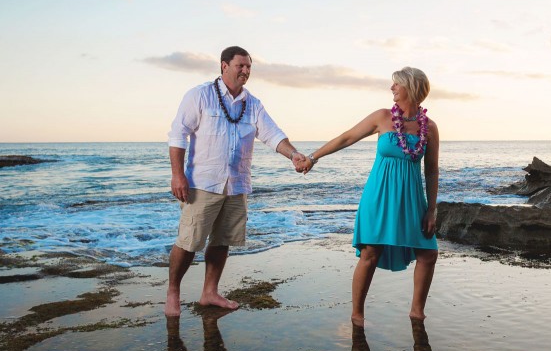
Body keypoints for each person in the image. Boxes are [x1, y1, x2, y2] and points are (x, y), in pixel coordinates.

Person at [165, 46, 308, 317]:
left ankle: (209, 292)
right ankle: (173, 292)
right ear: (224, 66)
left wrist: (293, 155)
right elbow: (178, 134)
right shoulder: (200, 95)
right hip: (203, 183)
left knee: (223, 240)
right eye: (240, 65)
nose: (245, 71)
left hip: (237, 184)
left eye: (249, 67)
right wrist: (177, 174)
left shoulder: (252, 104)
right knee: (189, 241)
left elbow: (272, 134)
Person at [300, 67, 439, 327]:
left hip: (411, 199)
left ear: (411, 87)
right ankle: (357, 315)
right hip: (379, 195)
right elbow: (346, 138)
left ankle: (417, 312)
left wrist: (432, 209)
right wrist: (312, 158)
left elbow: (431, 171)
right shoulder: (382, 117)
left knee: (428, 253)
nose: (392, 88)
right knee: (370, 253)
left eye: (396, 84)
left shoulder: (429, 127)